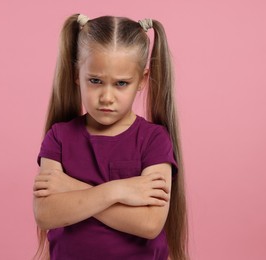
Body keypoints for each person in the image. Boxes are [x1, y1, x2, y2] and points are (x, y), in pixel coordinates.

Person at [33, 14, 188, 260]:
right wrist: (119, 191)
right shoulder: (59, 137)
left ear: (142, 80)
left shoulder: (154, 140)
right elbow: (45, 214)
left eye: (121, 84)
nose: (106, 97)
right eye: (95, 81)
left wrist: (71, 188)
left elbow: (149, 223)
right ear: (77, 74)